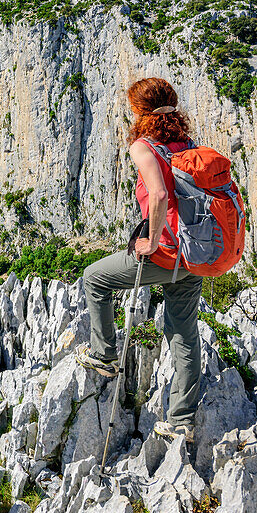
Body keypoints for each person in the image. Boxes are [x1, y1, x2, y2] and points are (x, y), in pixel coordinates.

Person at [75, 77, 201, 443]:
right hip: (193, 256)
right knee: (183, 333)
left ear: (138, 112)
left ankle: (104, 355)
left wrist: (149, 240)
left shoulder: (143, 147)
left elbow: (159, 194)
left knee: (94, 277)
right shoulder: (186, 145)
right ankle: (181, 420)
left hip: (164, 253)